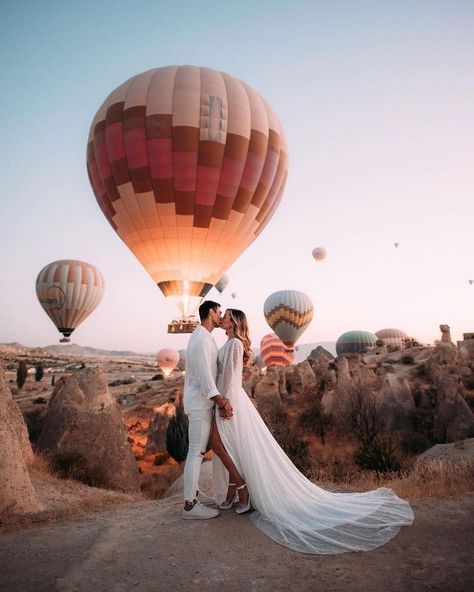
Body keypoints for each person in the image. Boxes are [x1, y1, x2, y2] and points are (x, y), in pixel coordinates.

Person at [210, 309, 414, 554]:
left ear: (233, 322)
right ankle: (237, 492)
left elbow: (230, 378)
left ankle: (240, 490)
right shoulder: (230, 342)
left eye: (226, 316)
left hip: (231, 399)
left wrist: (222, 401)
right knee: (234, 447)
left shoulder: (233, 343)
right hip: (233, 399)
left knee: (226, 446)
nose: (221, 318)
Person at [181, 300, 233, 520]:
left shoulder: (205, 337)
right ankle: (190, 506)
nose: (221, 316)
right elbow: (204, 376)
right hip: (201, 403)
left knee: (198, 451)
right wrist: (221, 401)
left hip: (203, 403)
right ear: (211, 312)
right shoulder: (201, 339)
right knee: (196, 452)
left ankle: (194, 495)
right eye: (219, 312)